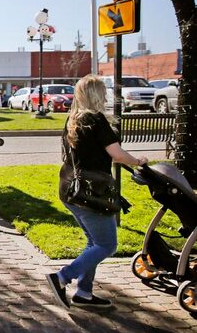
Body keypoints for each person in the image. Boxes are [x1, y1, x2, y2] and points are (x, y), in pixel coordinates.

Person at [46, 75, 148, 309]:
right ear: (96, 94)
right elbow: (118, 155)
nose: (106, 95)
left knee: (94, 242)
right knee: (106, 245)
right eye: (103, 91)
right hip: (91, 194)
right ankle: (61, 277)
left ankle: (84, 293)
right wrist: (138, 161)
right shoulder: (96, 120)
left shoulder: (73, 119)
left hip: (71, 190)